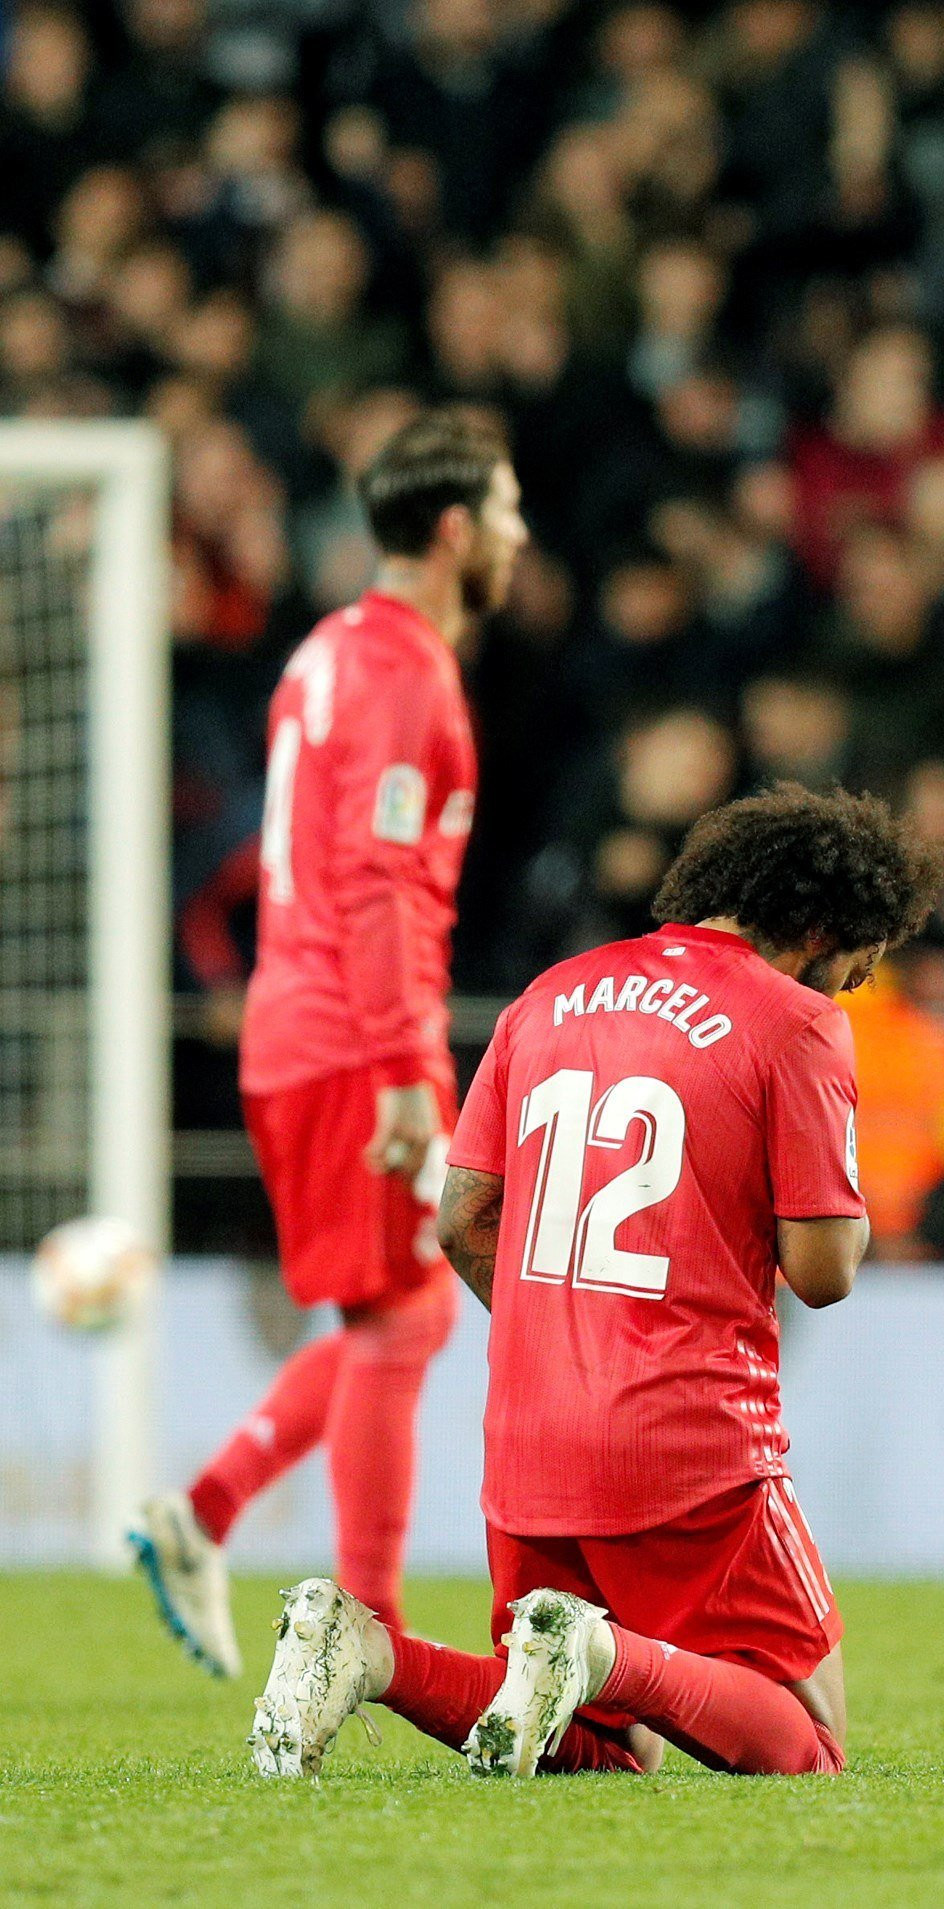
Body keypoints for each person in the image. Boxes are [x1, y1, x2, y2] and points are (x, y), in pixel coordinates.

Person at [244, 785, 944, 1779]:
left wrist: (567, 1326)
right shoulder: (794, 1023)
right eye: (853, 974)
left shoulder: (549, 994)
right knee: (812, 1745)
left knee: (602, 1752)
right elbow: (823, 1271)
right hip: (690, 1433)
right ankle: (600, 1646)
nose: (843, 996)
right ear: (824, 931)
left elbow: (459, 1219)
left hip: (529, 1426)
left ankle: (367, 1651)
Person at [128, 411, 523, 1676]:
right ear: (457, 529)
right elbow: (379, 879)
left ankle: (216, 1513)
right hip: (357, 1035)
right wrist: (413, 1066)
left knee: (387, 1314)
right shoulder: (409, 670)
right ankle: (368, 1632)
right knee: (407, 1321)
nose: (520, 535)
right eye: (508, 511)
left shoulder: (326, 650)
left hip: (293, 1025)